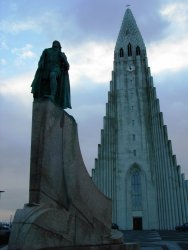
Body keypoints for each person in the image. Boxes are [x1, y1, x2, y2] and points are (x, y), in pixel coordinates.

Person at [31, 40, 71, 109]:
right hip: (46, 69)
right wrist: (41, 64)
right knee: (43, 85)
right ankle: (42, 96)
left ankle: (52, 95)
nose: (56, 46)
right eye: (55, 44)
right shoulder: (47, 51)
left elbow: (67, 66)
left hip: (56, 68)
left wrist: (64, 59)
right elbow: (41, 60)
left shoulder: (61, 54)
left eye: (57, 45)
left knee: (53, 75)